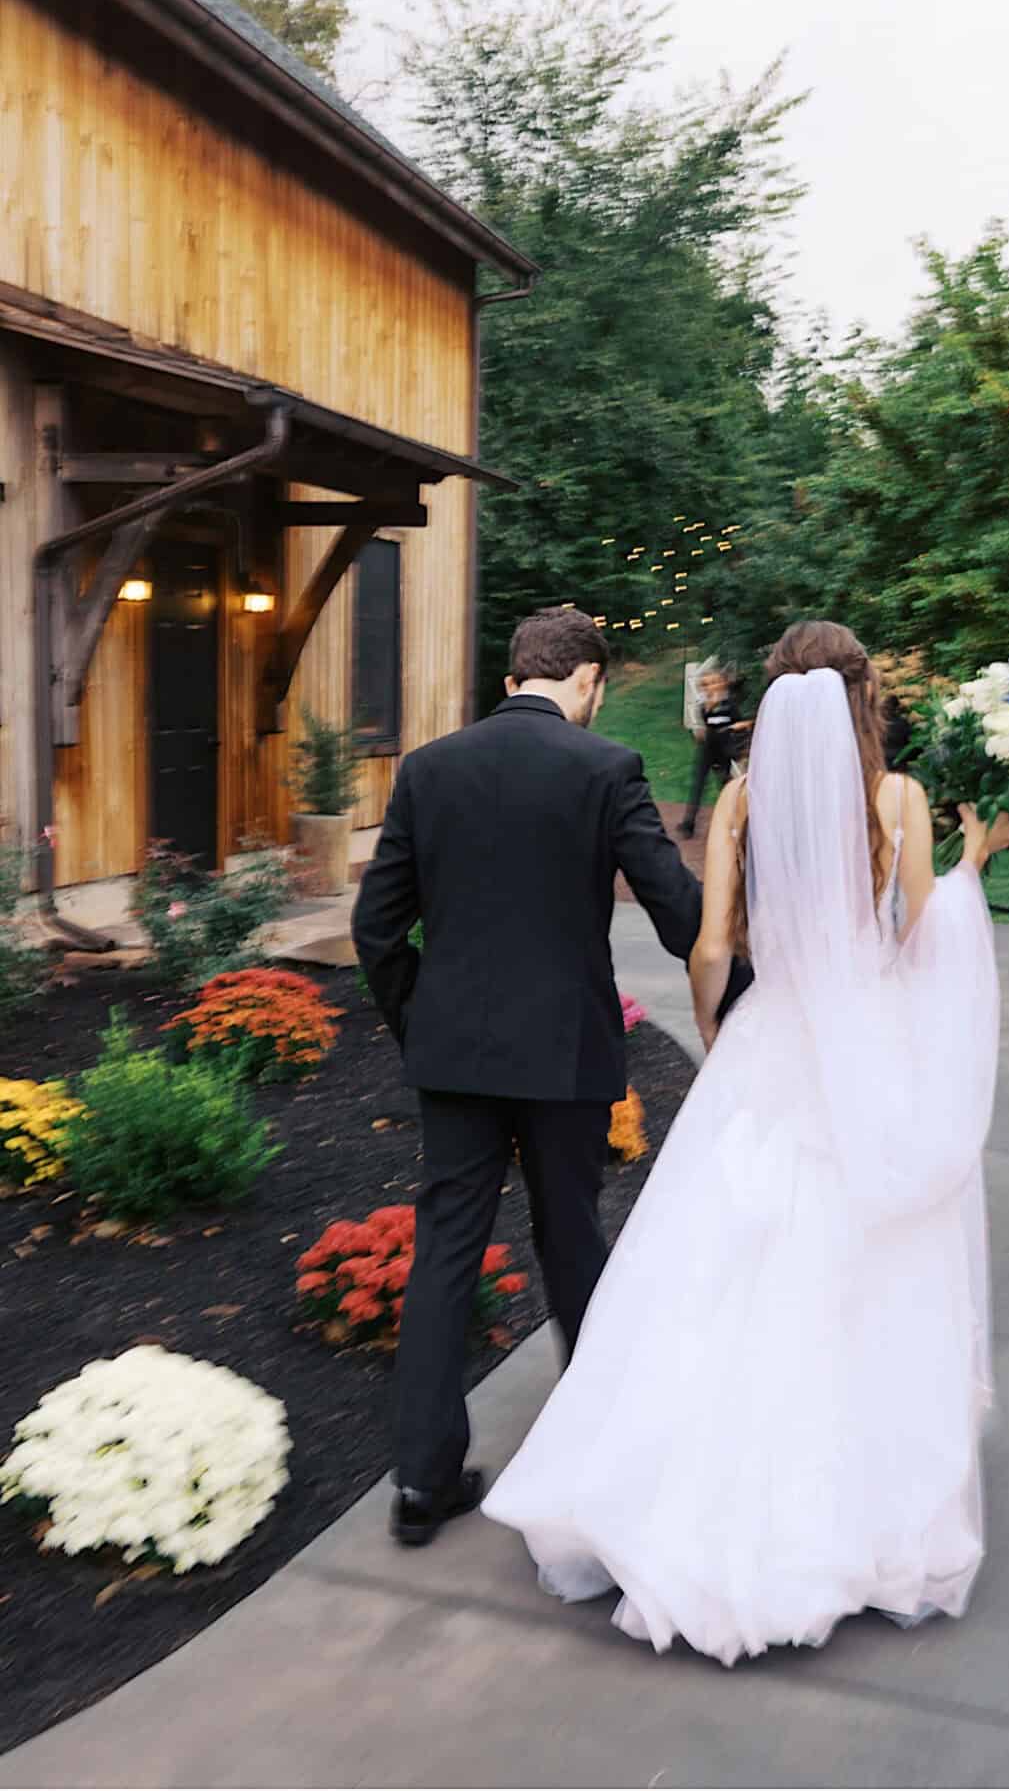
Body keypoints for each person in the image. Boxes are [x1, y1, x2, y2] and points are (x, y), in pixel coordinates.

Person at [482, 620, 1009, 1664]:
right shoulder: (898, 801)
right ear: (862, 698)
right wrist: (970, 868)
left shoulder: (740, 798)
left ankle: (683, 1486)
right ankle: (858, 1504)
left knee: (717, 1260)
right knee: (862, 1262)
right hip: (861, 1048)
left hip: (768, 1049)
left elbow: (714, 940)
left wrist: (721, 1025)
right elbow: (917, 941)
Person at [349, 607, 703, 1549]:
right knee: (572, 1242)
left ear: (513, 678)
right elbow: (678, 915)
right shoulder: (608, 769)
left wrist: (420, 1021)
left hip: (455, 1056)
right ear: (586, 679)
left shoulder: (427, 769)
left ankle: (420, 1485)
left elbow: (375, 930)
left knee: (446, 1252)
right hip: (567, 1053)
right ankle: (591, 1462)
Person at [677, 664, 739, 840]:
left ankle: (733, 822)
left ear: (721, 684)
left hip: (724, 750)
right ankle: (689, 824)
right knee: (698, 785)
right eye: (706, 685)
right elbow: (706, 723)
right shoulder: (704, 706)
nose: (709, 687)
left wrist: (735, 728)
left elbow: (738, 722)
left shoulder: (730, 705)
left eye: (713, 683)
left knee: (726, 786)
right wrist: (701, 730)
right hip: (707, 749)